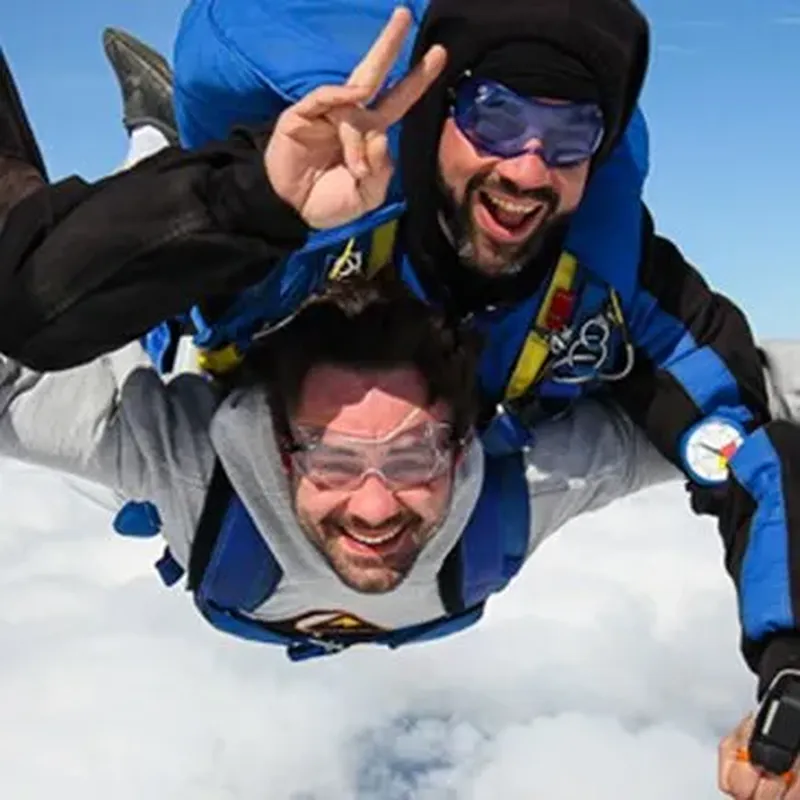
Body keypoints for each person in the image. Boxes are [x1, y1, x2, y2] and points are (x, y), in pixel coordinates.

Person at [2, 22, 800, 794]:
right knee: (131, 339)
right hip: (204, 466)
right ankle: (158, 141)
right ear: (278, 446)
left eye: (416, 454)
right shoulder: (191, 461)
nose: (378, 504)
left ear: (462, 445)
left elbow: (756, 412)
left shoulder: (197, 475)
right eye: (334, 456)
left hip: (209, 533)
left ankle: (158, 142)